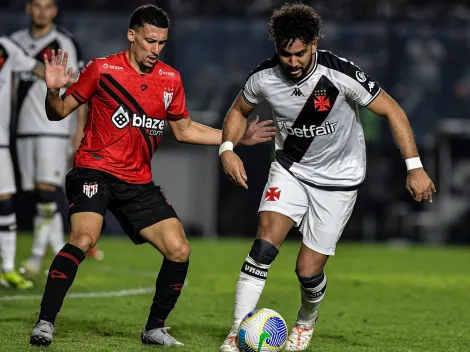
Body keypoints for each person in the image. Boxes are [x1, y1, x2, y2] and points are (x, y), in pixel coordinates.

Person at [29, 4, 276, 347]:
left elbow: (185, 130)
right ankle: (45, 321)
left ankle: (154, 328)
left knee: (179, 249)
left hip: (137, 181)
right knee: (84, 238)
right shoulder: (102, 70)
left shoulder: (170, 79)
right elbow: (57, 114)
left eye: (161, 43)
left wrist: (233, 137)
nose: (155, 50)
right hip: (94, 169)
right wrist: (53, 90)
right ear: (132, 35)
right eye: (149, 41)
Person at [218, 3, 436, 351]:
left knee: (307, 270)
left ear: (315, 44)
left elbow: (392, 109)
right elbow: (238, 110)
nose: (292, 62)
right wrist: (227, 147)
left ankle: (305, 321)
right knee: (263, 245)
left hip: (338, 180)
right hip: (290, 169)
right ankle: (237, 331)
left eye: (299, 54)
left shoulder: (340, 75)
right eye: (285, 54)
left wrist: (415, 166)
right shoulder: (264, 77)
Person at [10, 0, 102, 276]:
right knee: (39, 194)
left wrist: (80, 129)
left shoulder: (64, 42)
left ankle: (37, 257)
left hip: (54, 128)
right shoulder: (14, 42)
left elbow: (80, 89)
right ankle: (57, 245)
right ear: (28, 8)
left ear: (55, 11)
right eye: (37, 5)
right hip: (22, 129)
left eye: (48, 6)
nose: (42, 11)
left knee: (46, 191)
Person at [0, 36, 46, 289]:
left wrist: (64, 80)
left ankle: (7, 269)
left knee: (6, 202)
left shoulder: (6, 48)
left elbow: (35, 68)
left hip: (1, 142)